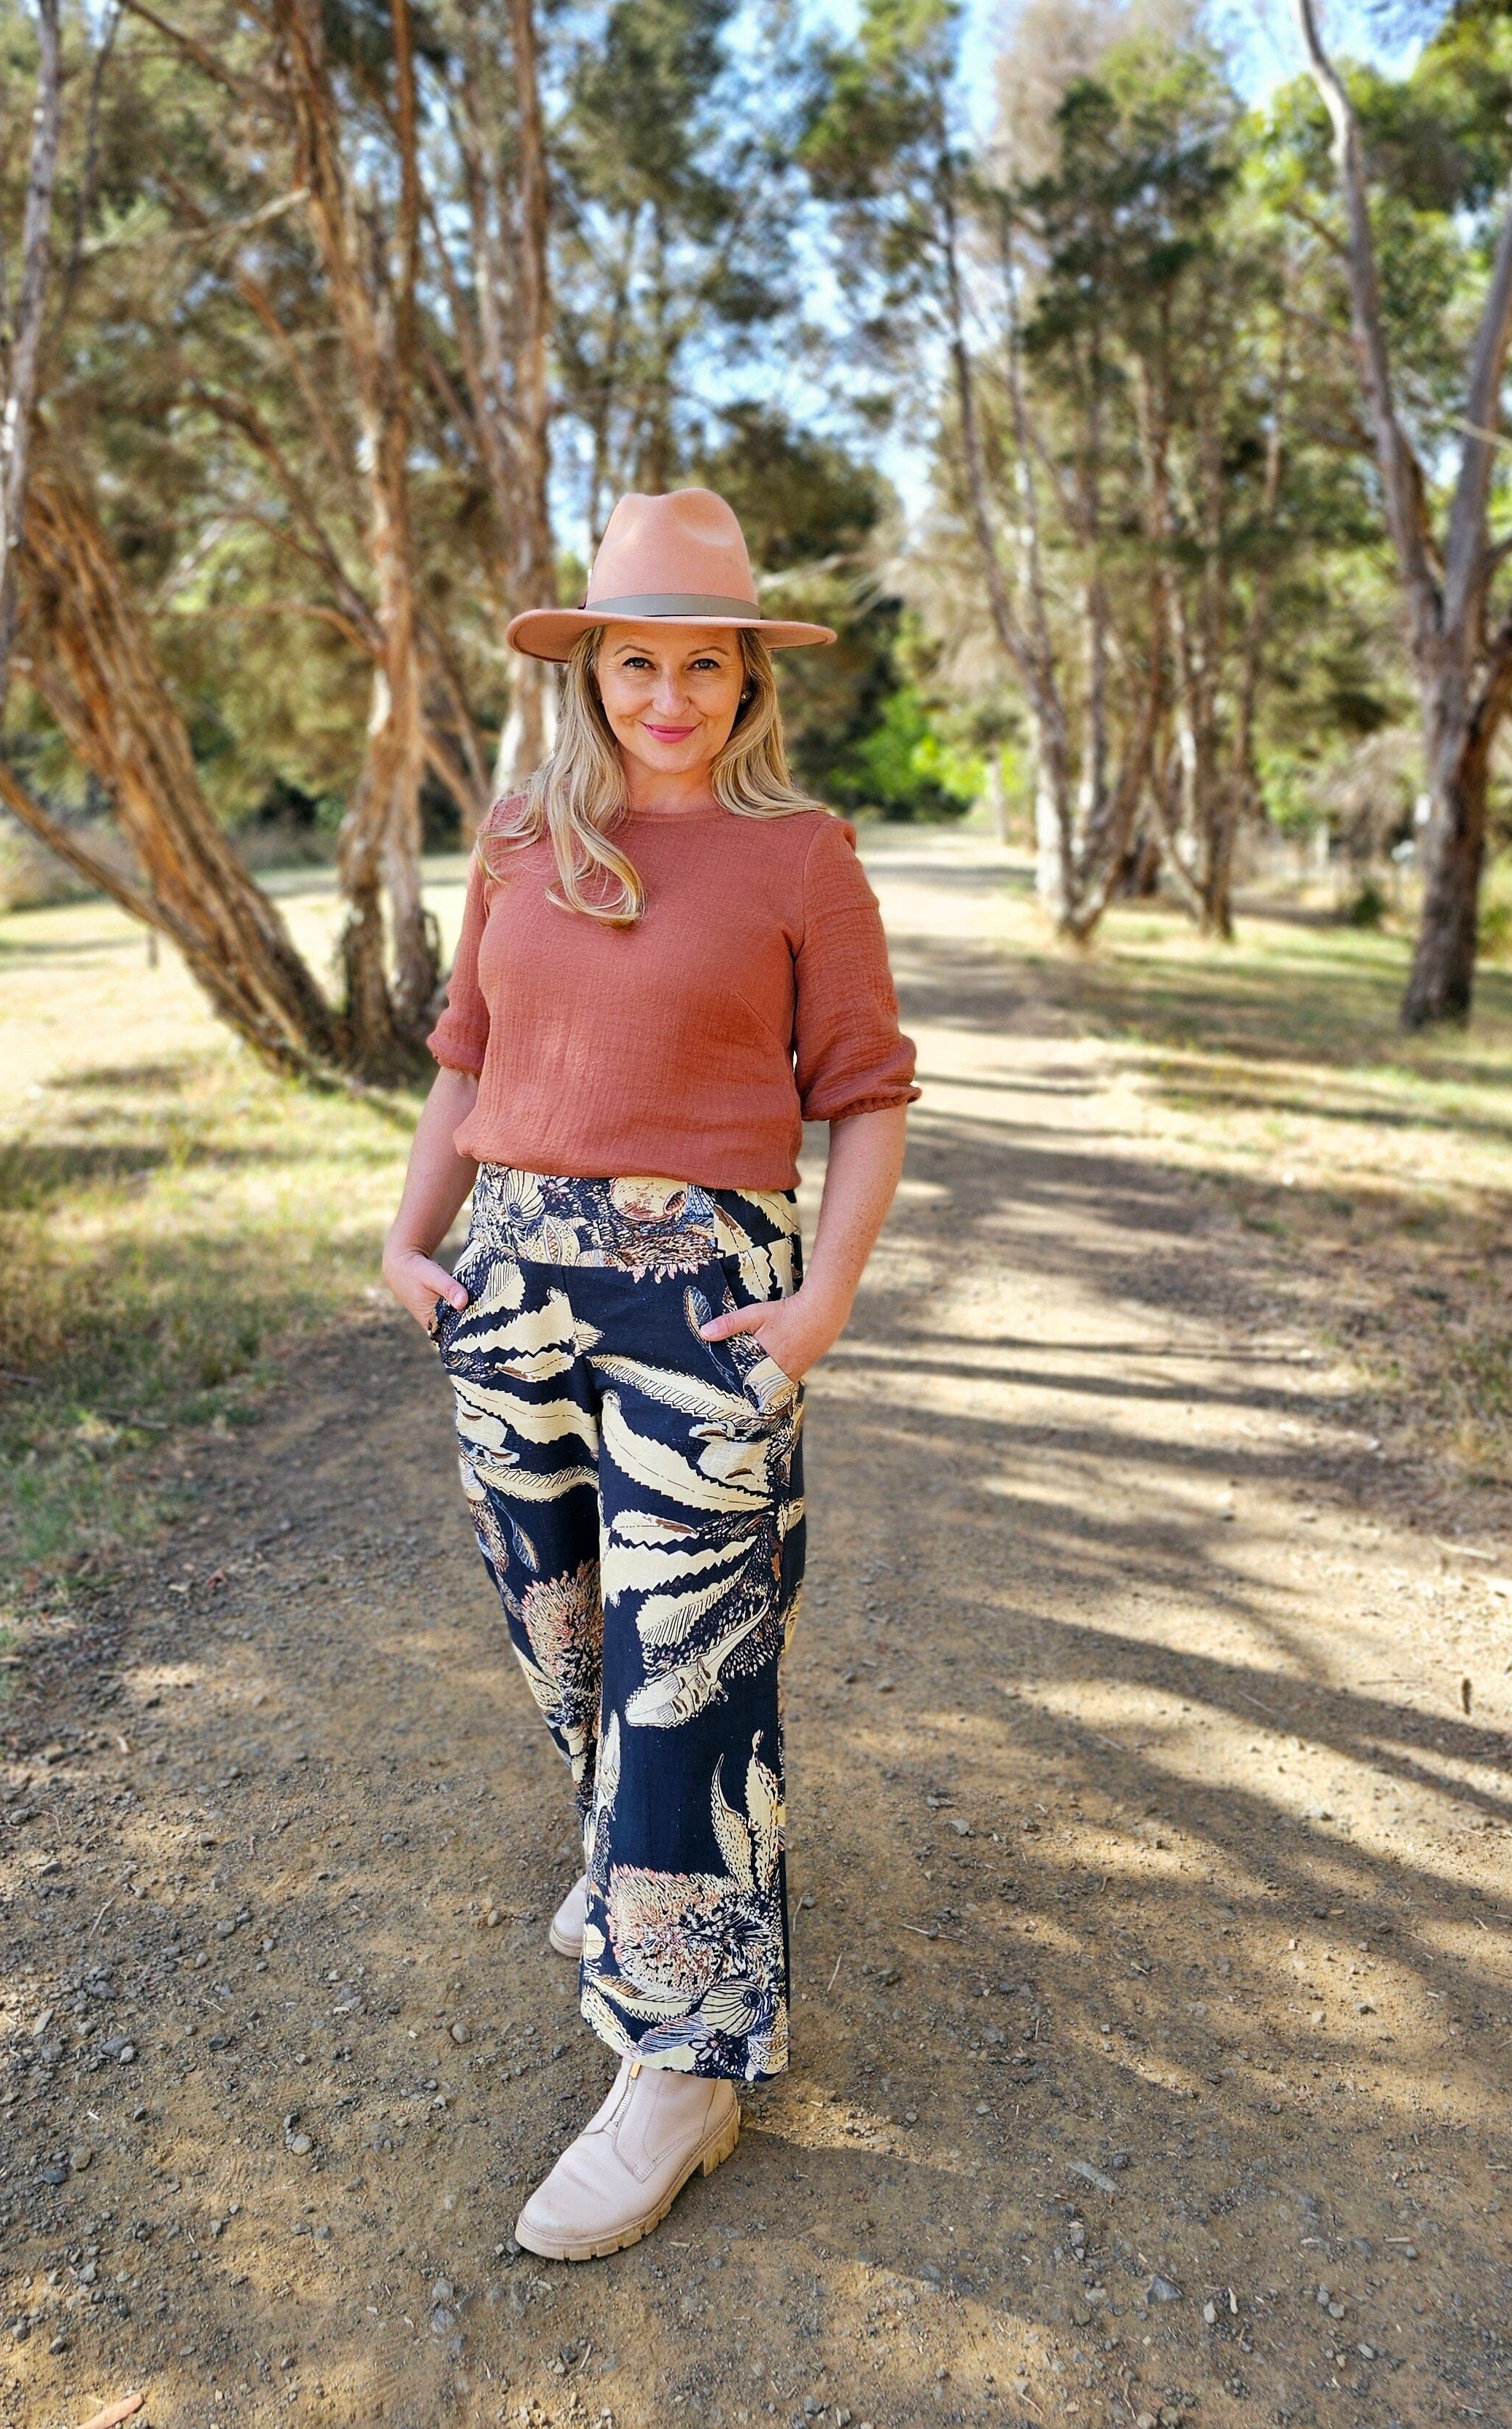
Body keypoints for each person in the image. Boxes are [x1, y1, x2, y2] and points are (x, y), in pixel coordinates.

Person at [379, 485, 916, 2261]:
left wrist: (825, 1295)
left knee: (687, 1658)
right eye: (636, 659)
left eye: (703, 663)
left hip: (708, 1290)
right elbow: (470, 1052)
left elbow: (864, 1087)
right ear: (591, 666)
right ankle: (631, 1859)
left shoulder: (799, 855)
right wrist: (411, 1232)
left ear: (746, 677)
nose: (668, 694)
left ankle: (682, 2055)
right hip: (509, 1275)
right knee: (563, 1626)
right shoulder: (526, 830)